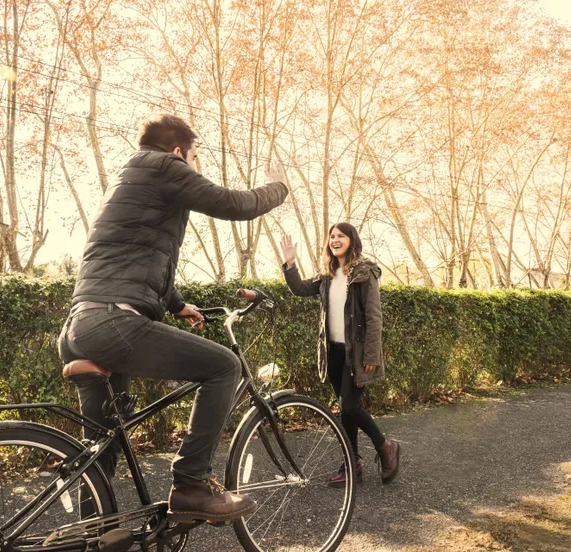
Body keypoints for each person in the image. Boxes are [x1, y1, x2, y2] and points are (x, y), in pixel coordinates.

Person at [57, 113, 288, 523]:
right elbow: (235, 204)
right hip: (114, 323)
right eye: (194, 157)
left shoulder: (128, 176)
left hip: (81, 326)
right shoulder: (166, 166)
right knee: (223, 366)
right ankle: (191, 485)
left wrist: (177, 304)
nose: (194, 166)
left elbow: (132, 251)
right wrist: (279, 187)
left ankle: (94, 537)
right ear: (179, 150)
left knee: (102, 450)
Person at [280, 222, 400, 486]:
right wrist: (290, 262)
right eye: (331, 236)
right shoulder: (326, 274)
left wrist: (371, 355)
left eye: (340, 236)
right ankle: (352, 466)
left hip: (355, 353)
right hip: (332, 351)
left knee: (349, 407)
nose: (335, 239)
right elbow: (299, 289)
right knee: (346, 412)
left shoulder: (364, 272)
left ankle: (385, 447)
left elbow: (374, 316)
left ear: (351, 240)